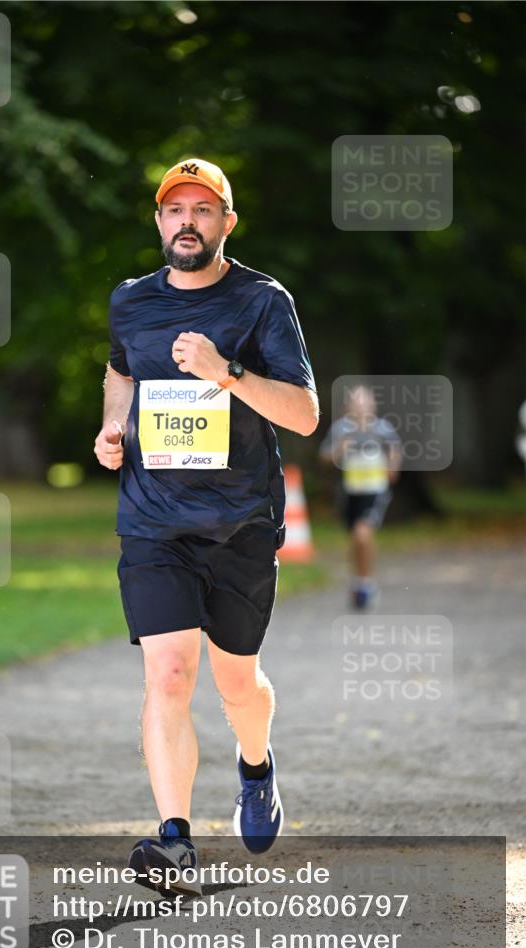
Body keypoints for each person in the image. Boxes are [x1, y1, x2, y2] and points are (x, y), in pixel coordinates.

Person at [94, 158, 318, 895]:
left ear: (226, 222)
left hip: (240, 523)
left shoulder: (261, 301)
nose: (185, 221)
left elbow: (304, 415)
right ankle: (175, 842)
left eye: (201, 209)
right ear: (158, 221)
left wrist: (225, 373)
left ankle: (255, 766)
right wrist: (112, 426)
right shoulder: (130, 301)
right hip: (154, 521)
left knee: (236, 685)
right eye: (172, 209)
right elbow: (121, 370)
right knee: (167, 673)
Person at [319, 385, 401, 610]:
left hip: (375, 491)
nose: (361, 407)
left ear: (373, 405)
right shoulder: (341, 430)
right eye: (356, 403)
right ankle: (359, 580)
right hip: (350, 493)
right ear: (348, 407)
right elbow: (325, 458)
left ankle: (366, 584)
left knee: (362, 534)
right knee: (355, 540)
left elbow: (394, 449)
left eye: (365, 402)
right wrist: (339, 450)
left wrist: (392, 468)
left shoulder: (382, 429)